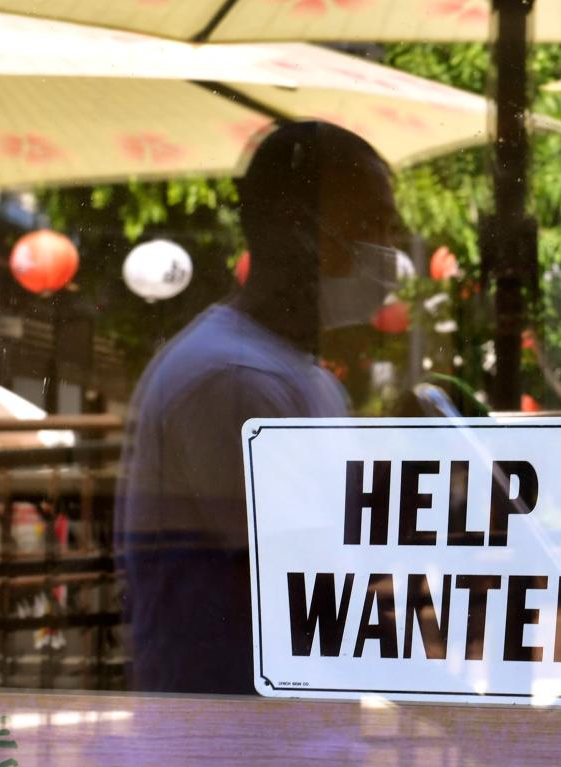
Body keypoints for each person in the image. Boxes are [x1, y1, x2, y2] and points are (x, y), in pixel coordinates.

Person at [115, 122, 404, 695]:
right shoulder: (234, 379)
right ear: (299, 230)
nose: (387, 252)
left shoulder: (299, 374)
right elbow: (318, 602)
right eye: (369, 225)